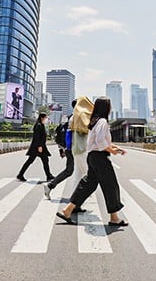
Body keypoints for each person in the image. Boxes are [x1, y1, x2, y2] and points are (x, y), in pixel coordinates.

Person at [56, 97, 127, 226]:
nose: (111, 109)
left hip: (93, 156)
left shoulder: (95, 121)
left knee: (88, 184)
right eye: (109, 106)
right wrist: (112, 151)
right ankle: (114, 217)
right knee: (110, 185)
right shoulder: (103, 122)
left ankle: (68, 210)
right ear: (106, 108)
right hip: (100, 158)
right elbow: (100, 143)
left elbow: (97, 142)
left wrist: (114, 147)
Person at [44, 101, 77, 199]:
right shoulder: (75, 117)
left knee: (71, 170)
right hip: (73, 149)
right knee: (72, 170)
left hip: (70, 148)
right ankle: (51, 185)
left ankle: (80, 193)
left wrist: (61, 149)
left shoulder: (70, 117)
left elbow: (63, 134)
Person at [17, 113, 53, 182]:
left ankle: (49, 175)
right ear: (42, 118)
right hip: (37, 147)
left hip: (40, 146)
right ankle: (20, 174)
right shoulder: (38, 125)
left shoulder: (41, 124)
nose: (46, 119)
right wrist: (39, 146)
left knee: (44, 160)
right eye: (46, 118)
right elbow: (37, 137)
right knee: (31, 161)